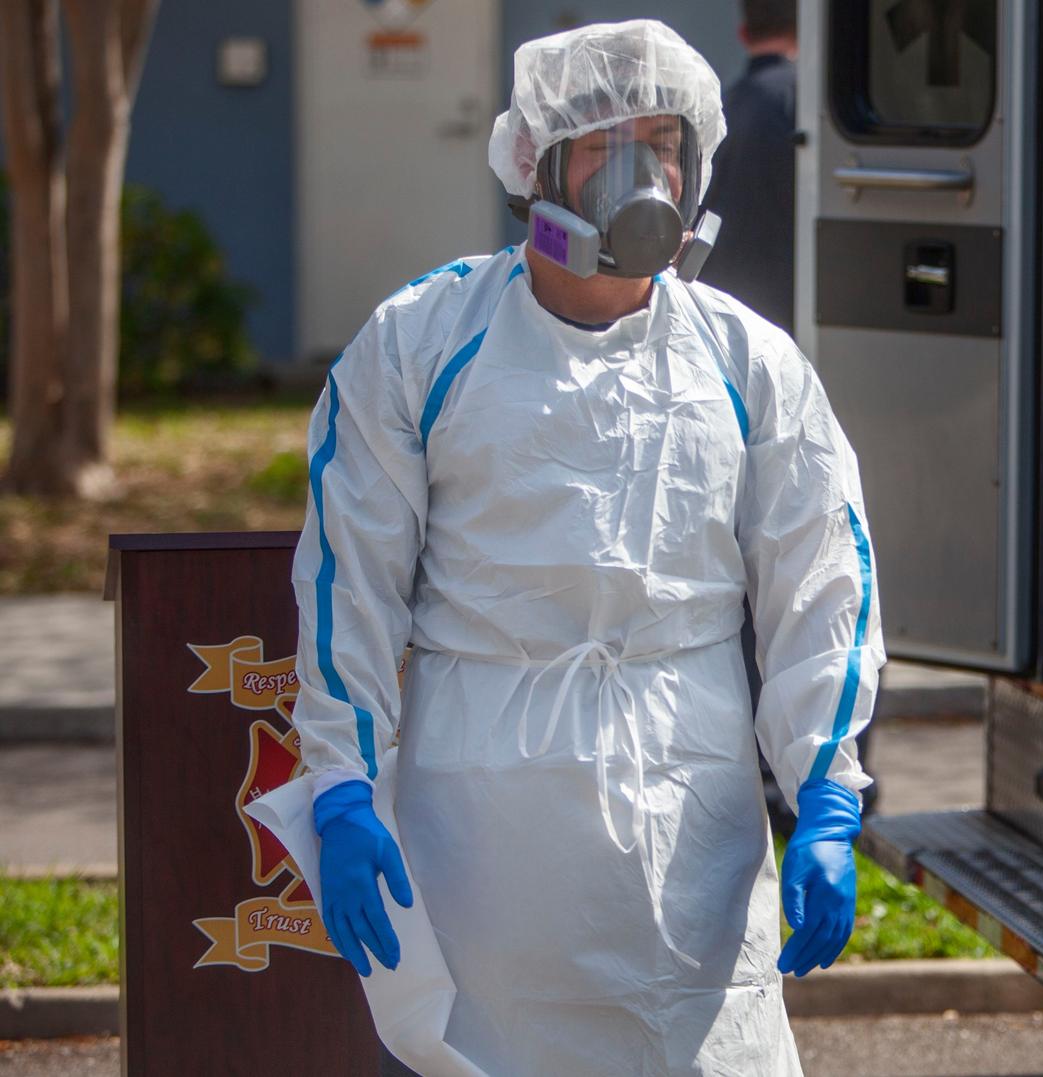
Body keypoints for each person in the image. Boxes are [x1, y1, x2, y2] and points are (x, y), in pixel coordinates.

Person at [288, 20, 883, 1077]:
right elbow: (352, 581)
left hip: (688, 808)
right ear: (540, 164)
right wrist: (340, 783)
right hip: (482, 820)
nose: (643, 168)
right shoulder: (421, 343)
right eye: (607, 142)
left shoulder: (744, 361)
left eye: (664, 139)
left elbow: (822, 576)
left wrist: (826, 792)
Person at [699, 0, 800, 332]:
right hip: (789, 304)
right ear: (805, 30)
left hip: (720, 299)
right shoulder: (806, 102)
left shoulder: (721, 105)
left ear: (743, 33)